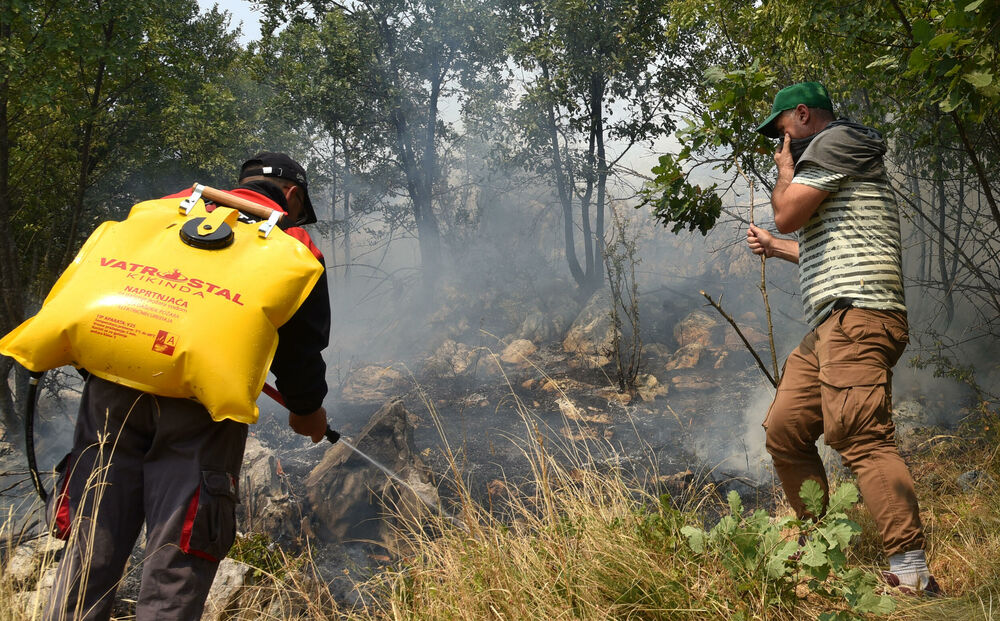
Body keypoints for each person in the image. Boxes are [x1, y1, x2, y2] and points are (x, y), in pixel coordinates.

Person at [44, 152, 331, 620]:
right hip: (199, 413)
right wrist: (307, 412)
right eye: (298, 210)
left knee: (90, 546)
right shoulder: (292, 246)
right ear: (293, 196)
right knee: (176, 561)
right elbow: (299, 355)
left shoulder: (167, 212)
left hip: (110, 394)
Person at [747, 82, 941, 595]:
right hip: (836, 323)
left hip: (858, 319)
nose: (780, 144)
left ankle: (912, 574)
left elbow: (787, 212)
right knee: (785, 429)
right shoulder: (833, 163)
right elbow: (825, 244)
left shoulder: (835, 142)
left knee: (860, 435)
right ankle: (817, 548)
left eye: (782, 130)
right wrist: (777, 248)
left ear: (804, 115)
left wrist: (784, 178)